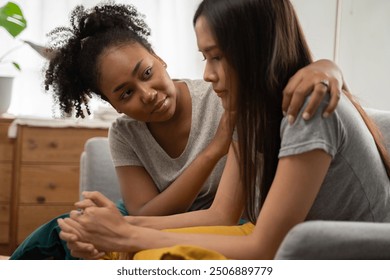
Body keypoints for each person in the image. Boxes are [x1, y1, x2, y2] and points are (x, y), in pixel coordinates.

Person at [56, 0, 390, 260]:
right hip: (288, 246)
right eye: (204, 56)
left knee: (149, 255)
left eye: (216, 57)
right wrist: (114, 231)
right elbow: (221, 213)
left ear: (255, 49)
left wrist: (125, 235)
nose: (207, 74)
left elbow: (263, 248)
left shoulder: (309, 106)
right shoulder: (248, 111)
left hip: (346, 257)